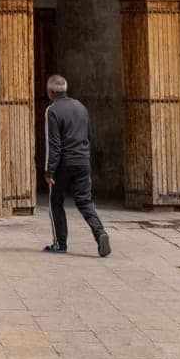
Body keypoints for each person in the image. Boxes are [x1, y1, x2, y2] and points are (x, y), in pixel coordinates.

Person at [42, 74, 111, 257]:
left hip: (63, 165)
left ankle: (60, 243)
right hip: (82, 161)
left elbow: (53, 145)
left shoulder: (52, 110)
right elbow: (88, 135)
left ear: (50, 91)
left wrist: (49, 170)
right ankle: (100, 233)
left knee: (55, 202)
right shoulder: (81, 107)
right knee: (85, 201)